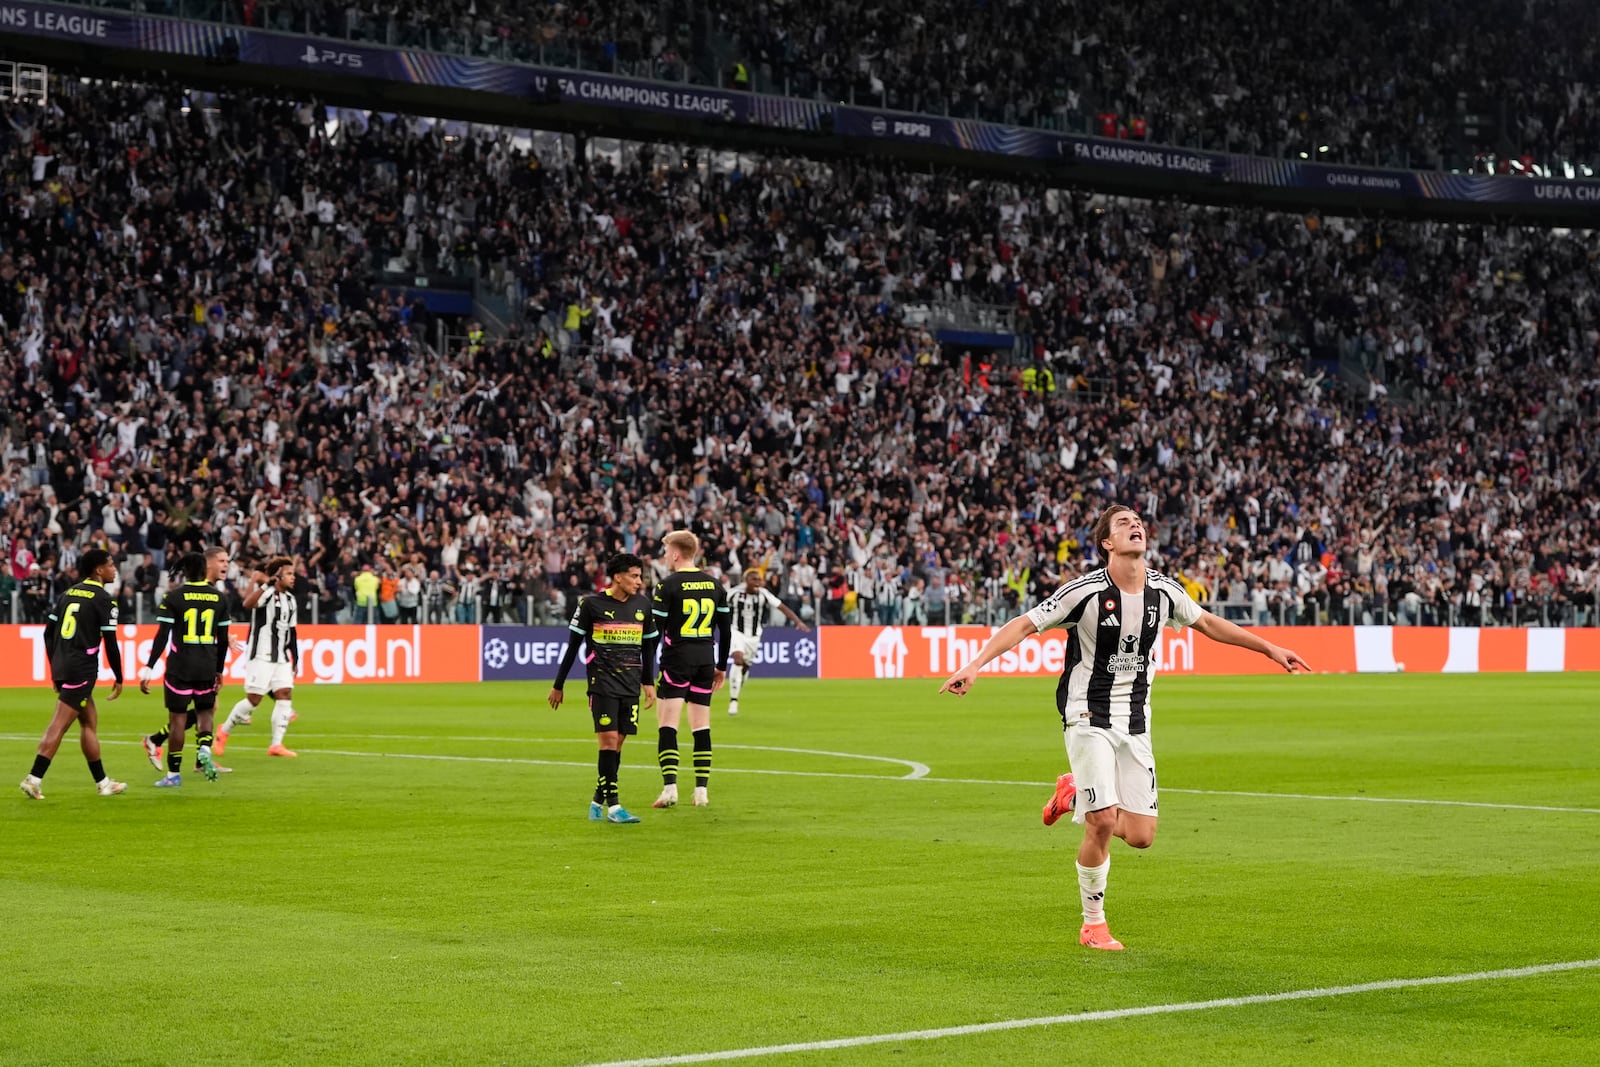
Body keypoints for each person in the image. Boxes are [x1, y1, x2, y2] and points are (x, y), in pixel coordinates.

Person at [939, 505, 1310, 951]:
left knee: (1140, 836)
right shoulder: (1085, 592)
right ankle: (1093, 923)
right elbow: (1024, 624)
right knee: (1101, 821)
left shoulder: (1165, 591)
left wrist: (1270, 649)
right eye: (1123, 524)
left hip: (1135, 722)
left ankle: (1072, 792)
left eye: (1138, 520)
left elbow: (1209, 623)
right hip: (1087, 714)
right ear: (1107, 544)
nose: (1136, 525)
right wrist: (975, 665)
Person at [547, 553, 658, 824]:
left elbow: (648, 647)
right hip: (602, 683)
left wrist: (648, 682)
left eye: (640, 576)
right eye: (634, 576)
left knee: (618, 744)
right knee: (608, 741)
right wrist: (558, 685)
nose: (639, 582)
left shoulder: (643, 605)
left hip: (630, 684)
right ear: (617, 577)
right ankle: (615, 807)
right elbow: (573, 647)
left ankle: (597, 800)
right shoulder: (590, 604)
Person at [18, 548, 129, 799]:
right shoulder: (103, 599)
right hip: (82, 668)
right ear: (99, 570)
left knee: (89, 722)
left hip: (65, 664)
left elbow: (48, 633)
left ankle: (103, 783)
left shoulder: (68, 593)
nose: (114, 569)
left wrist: (55, 668)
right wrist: (119, 677)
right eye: (111, 565)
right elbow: (110, 642)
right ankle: (33, 778)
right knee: (59, 724)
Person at [651, 530, 730, 808]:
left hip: (677, 660)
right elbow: (725, 630)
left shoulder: (667, 585)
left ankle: (670, 788)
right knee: (701, 726)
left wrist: (646, 671)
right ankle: (701, 793)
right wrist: (721, 666)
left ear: (675, 553)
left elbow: (654, 633)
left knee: (667, 724)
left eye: (666, 552)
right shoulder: (715, 585)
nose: (665, 557)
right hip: (705, 660)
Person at [140, 545, 233, 781]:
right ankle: (204, 749)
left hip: (180, 666)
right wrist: (219, 670)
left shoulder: (173, 597)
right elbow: (222, 641)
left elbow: (163, 635)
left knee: (178, 720)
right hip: (206, 665)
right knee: (206, 712)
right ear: (205, 568)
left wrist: (149, 667)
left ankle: (173, 774)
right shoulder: (219, 598)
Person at [215, 557, 300, 758]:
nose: (293, 577)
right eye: (289, 573)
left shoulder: (291, 600)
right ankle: (223, 731)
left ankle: (276, 745)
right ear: (278, 575)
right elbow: (247, 603)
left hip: (281, 656)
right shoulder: (268, 594)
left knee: (285, 695)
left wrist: (296, 658)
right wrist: (267, 584)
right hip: (260, 654)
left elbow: (293, 632)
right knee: (254, 699)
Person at [724, 567, 810, 716]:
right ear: (746, 581)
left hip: (755, 636)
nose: (758, 582)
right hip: (737, 631)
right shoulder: (734, 593)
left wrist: (798, 621)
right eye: (754, 579)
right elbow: (716, 603)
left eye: (759, 579)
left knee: (744, 667)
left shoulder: (764, 594)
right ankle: (733, 701)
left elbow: (782, 607)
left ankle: (739, 682)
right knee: (737, 659)